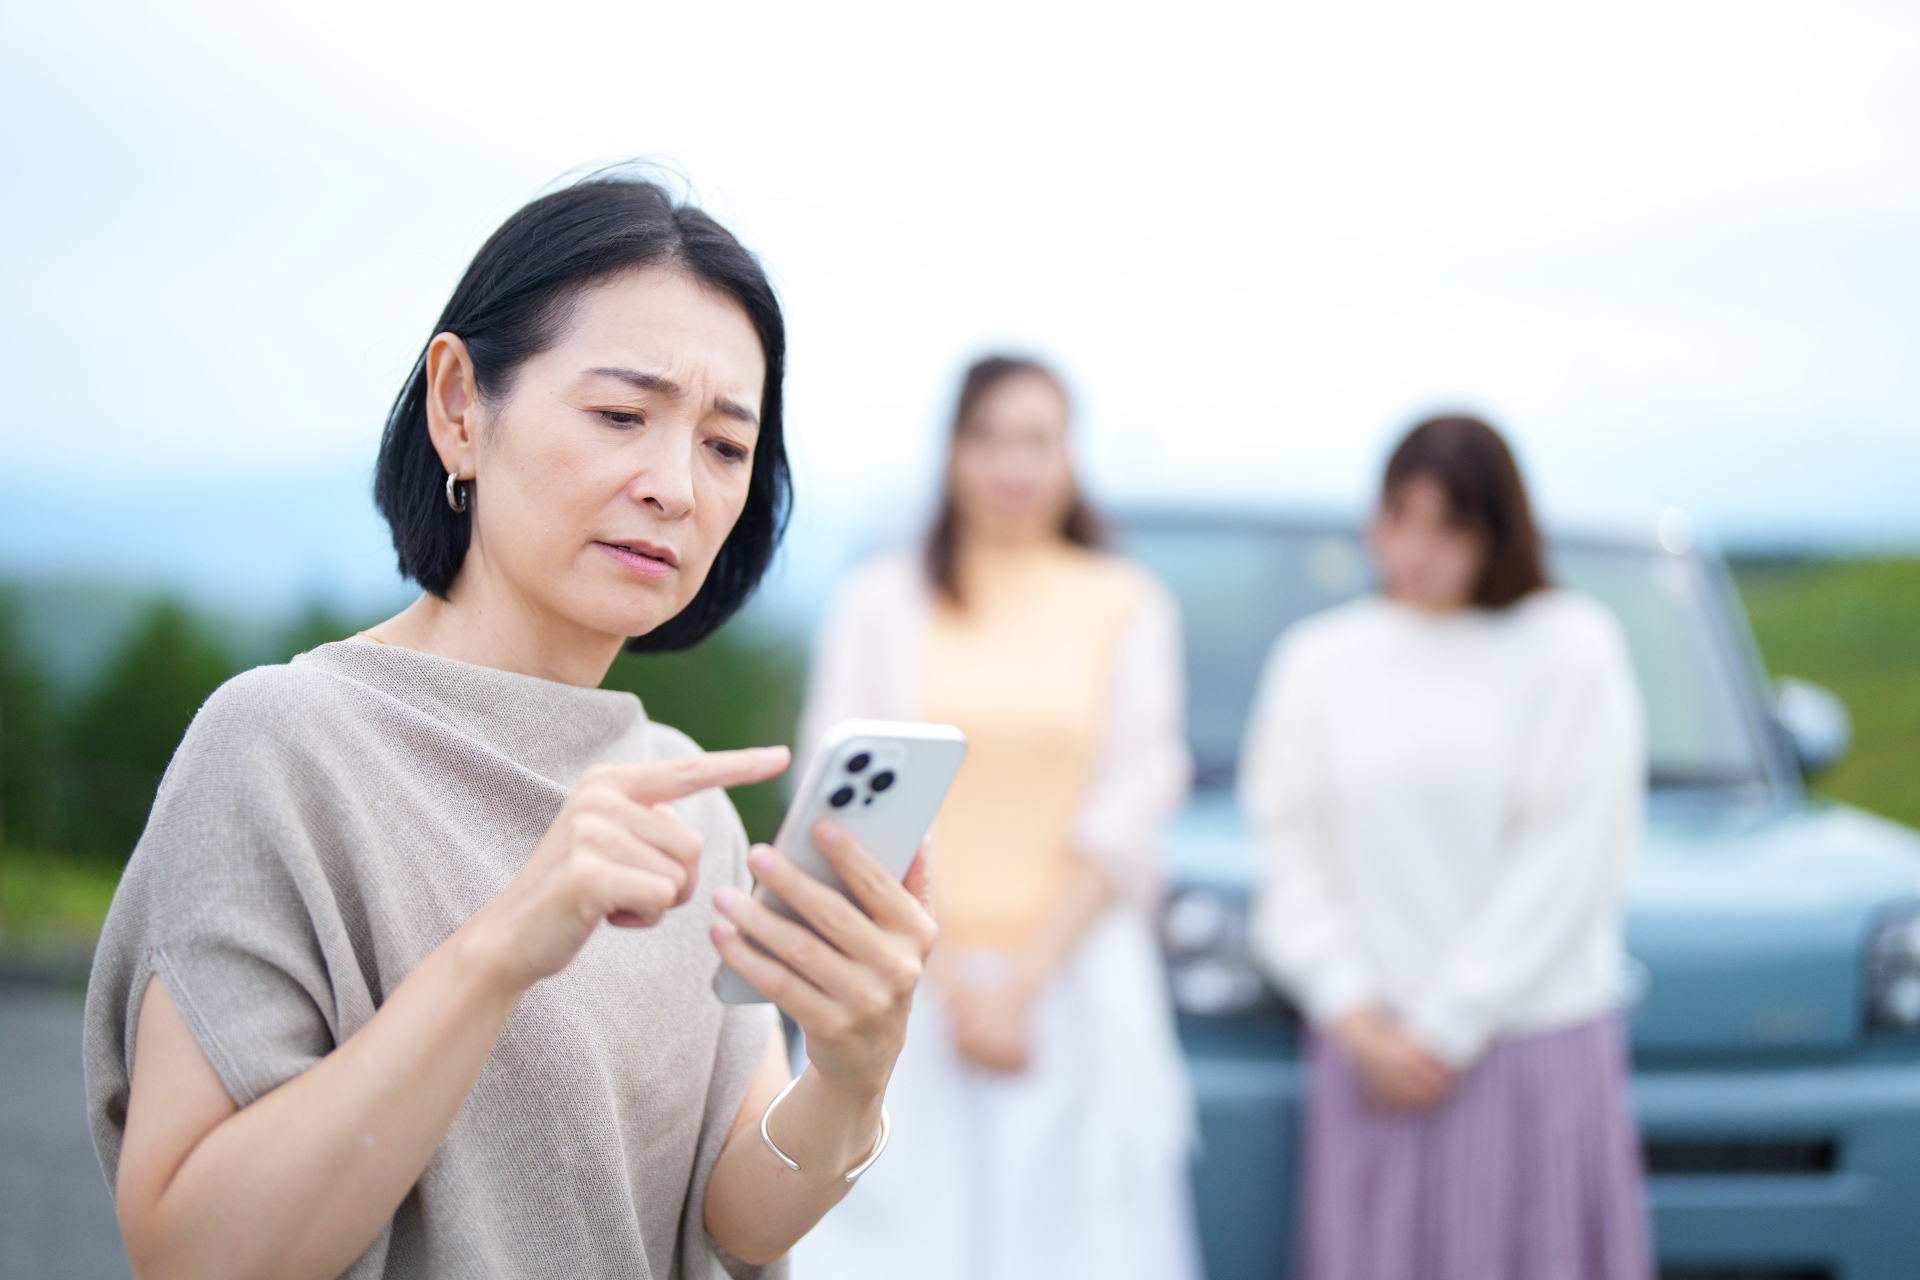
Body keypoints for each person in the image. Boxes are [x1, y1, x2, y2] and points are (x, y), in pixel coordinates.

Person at [81, 174, 938, 1280]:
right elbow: (190, 1250)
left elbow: (731, 1217)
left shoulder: (683, 796)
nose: (675, 485)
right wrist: (501, 947)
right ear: (458, 406)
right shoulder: (281, 743)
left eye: (727, 446)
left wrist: (853, 1073)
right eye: (622, 416)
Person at [789, 356, 1202, 1280]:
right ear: (952, 453)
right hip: (902, 977)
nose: (1013, 467)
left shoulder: (1126, 603)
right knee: (887, 1239)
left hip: (1073, 982)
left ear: (1070, 457)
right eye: (990, 439)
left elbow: (1132, 802)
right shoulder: (880, 602)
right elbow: (843, 791)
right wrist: (941, 969)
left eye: (1038, 441)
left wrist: (1018, 986)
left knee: (1077, 1244)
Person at [1241, 415, 1652, 1280]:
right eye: (1401, 521)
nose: (1416, 551)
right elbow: (1289, 857)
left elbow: (1568, 860)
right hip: (1370, 1050)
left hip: (1529, 1047)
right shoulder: (1319, 662)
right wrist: (1352, 1010)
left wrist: (1444, 1023)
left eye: (1448, 527)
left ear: (1498, 533)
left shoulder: (1571, 648)